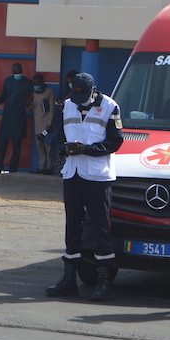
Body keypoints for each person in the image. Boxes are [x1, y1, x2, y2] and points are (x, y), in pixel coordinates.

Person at [46, 72, 123, 301]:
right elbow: (59, 136)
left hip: (98, 177)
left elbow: (115, 141)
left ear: (93, 90)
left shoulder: (110, 107)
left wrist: (87, 150)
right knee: (72, 226)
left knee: (101, 228)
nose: (78, 101)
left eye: (83, 96)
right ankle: (69, 279)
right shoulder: (67, 106)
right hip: (73, 174)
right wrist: (65, 149)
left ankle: (103, 280)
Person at [0, 62, 33, 179]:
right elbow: (2, 97)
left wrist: (30, 103)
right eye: (15, 72)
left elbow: (37, 94)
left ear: (22, 71)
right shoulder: (8, 81)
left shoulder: (28, 83)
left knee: (16, 147)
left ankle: (12, 173)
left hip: (19, 118)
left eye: (19, 72)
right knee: (2, 146)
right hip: (7, 118)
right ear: (12, 72)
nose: (17, 74)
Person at [31, 74, 57, 175]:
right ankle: (41, 166)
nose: (35, 86)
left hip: (47, 124)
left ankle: (50, 167)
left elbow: (52, 109)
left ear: (41, 83)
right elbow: (36, 106)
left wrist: (49, 124)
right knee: (40, 147)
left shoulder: (49, 92)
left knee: (48, 146)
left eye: (37, 84)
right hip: (38, 124)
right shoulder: (35, 93)